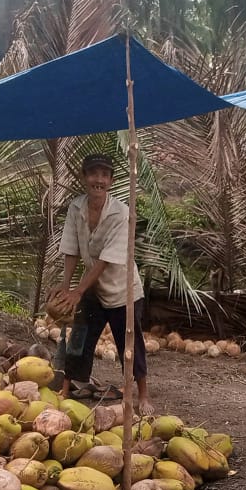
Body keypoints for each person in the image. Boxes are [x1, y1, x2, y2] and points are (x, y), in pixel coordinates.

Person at [48, 153, 150, 412]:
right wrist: (66, 286)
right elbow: (71, 248)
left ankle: (143, 395)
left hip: (122, 290)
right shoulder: (76, 208)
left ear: (111, 181)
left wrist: (78, 291)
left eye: (104, 175)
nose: (98, 180)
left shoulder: (121, 213)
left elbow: (106, 260)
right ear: (84, 177)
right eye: (93, 174)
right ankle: (68, 386)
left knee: (128, 342)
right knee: (80, 336)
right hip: (92, 287)